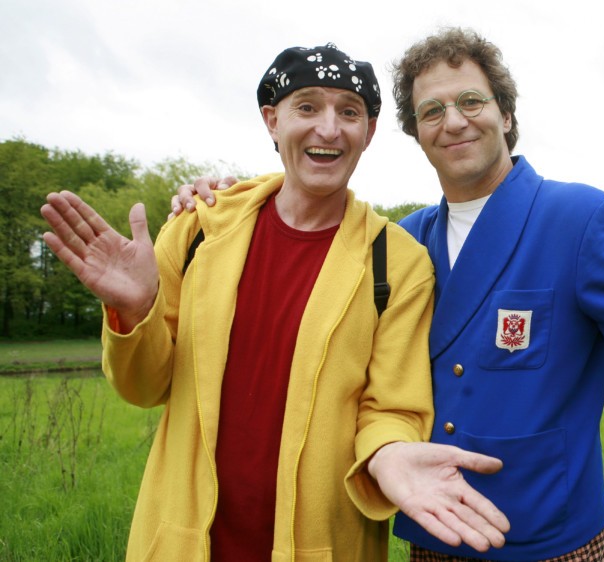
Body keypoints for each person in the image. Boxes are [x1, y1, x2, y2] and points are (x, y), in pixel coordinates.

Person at [173, 29, 604, 561]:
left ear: (506, 115)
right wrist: (220, 200)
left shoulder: (578, 217)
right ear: (416, 135)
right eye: (432, 111)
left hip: (550, 539)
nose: (454, 120)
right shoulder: (399, 243)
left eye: (471, 101)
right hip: (430, 533)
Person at [40, 42, 508, 562]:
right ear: (272, 121)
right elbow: (143, 387)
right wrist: (134, 310)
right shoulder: (199, 228)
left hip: (323, 545)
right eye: (307, 107)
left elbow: (392, 406)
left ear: (369, 132)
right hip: (182, 543)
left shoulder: (397, 262)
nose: (329, 129)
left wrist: (389, 453)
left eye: (349, 112)